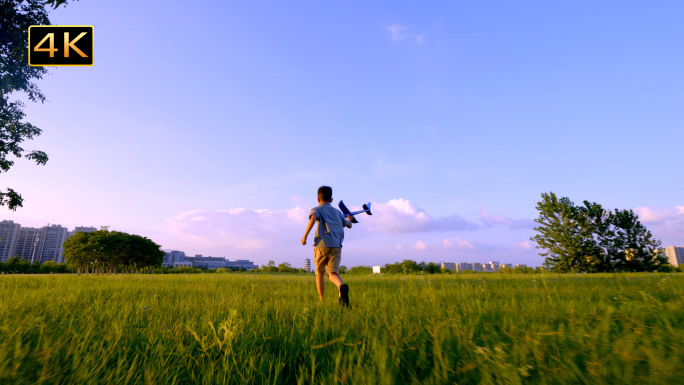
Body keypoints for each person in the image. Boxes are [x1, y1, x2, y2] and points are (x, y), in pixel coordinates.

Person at [301, 185, 352, 306]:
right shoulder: (338, 213)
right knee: (333, 273)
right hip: (336, 246)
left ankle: (321, 300)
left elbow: (313, 219)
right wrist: (349, 219)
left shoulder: (317, 209)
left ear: (318, 199)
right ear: (331, 200)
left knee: (320, 273)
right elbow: (349, 225)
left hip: (321, 245)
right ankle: (341, 288)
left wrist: (305, 236)